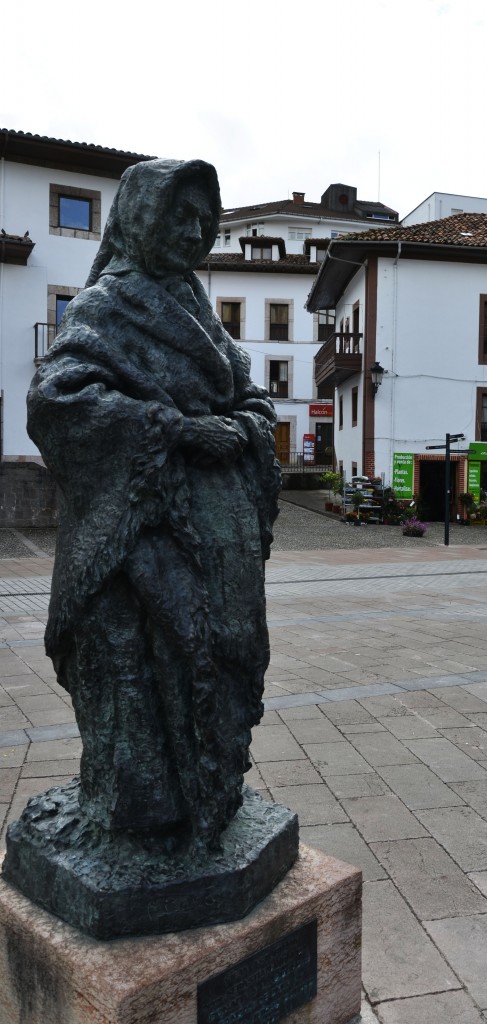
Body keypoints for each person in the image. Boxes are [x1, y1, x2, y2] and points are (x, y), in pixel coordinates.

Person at [27, 159, 280, 851]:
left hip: (217, 539)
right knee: (137, 671)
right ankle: (138, 813)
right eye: (180, 216)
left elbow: (250, 397)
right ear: (140, 218)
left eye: (205, 220)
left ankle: (211, 796)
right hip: (140, 530)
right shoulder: (105, 306)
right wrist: (174, 428)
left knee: (224, 659)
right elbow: (58, 400)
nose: (194, 231)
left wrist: (245, 427)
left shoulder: (201, 312)